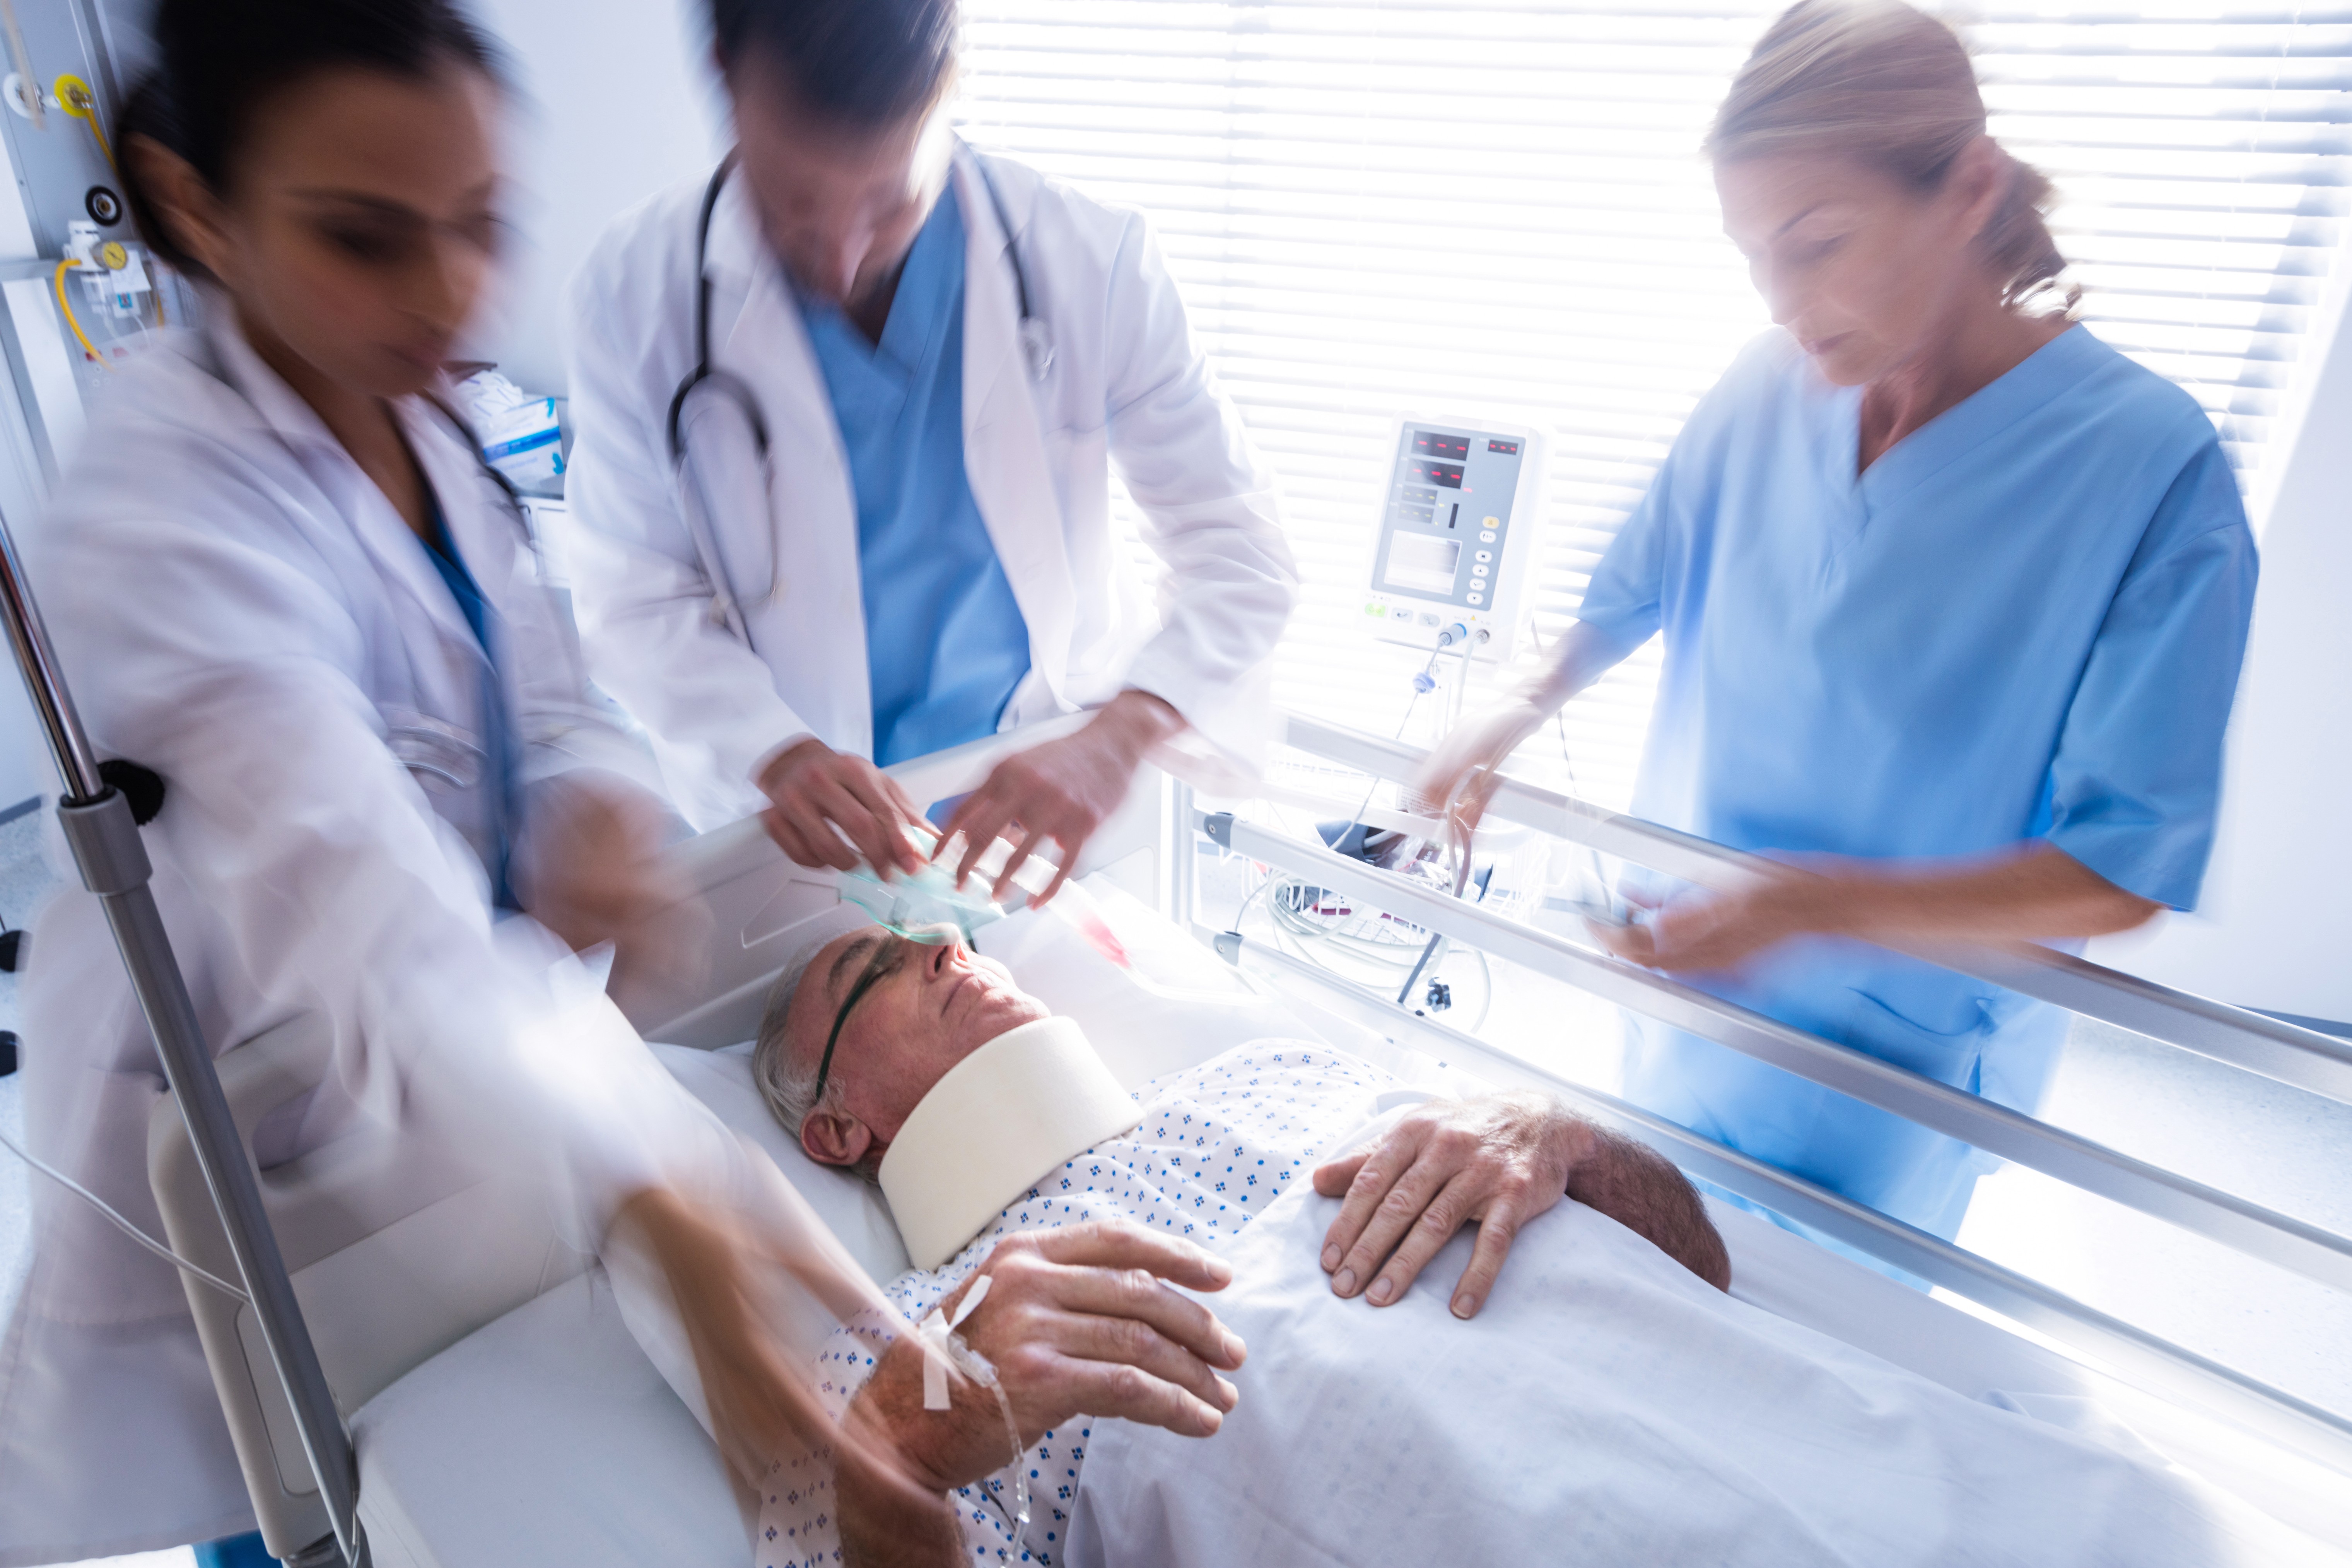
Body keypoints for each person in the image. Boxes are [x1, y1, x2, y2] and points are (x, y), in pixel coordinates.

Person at [0, 5, 1228, 1559]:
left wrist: (596, 805)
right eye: (364, 237)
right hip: (284, 1132)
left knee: (726, 1262)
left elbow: (553, 694)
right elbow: (364, 910)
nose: (448, 295)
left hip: (503, 1066)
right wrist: (687, 1243)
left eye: (477, 224)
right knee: (300, 1480)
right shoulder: (162, 522)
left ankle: (835, 1410)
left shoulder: (421, 422)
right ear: (195, 204)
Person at [1414, 0, 2258, 1246]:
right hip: (1687, 971)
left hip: (1894, 1047)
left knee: (1813, 1324)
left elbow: (2118, 871)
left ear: (1970, 188)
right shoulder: (1764, 387)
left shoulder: (2150, 471)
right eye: (1753, 254)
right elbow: (1624, 591)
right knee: (1640, 1254)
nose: (1780, 300)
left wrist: (1808, 906)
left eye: (1816, 243)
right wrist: (1509, 706)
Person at [729, 917, 2323, 1568]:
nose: (945, 944)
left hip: (1832, 1448)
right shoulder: (908, 1341)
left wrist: (1564, 1137)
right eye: (880, 964)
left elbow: (1698, 1264)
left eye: (949, 927)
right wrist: (904, 1444)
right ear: (836, 1131)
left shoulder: (1276, 1066)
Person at [562, 0, 1295, 900]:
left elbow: (1241, 551)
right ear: (721, 71)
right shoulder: (634, 293)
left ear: (954, 91)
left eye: (889, 205)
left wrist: (1121, 733)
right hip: (809, 850)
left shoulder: (1087, 260)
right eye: (794, 205)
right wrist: (773, 750)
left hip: (1046, 824)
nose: (841, 261)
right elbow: (634, 600)